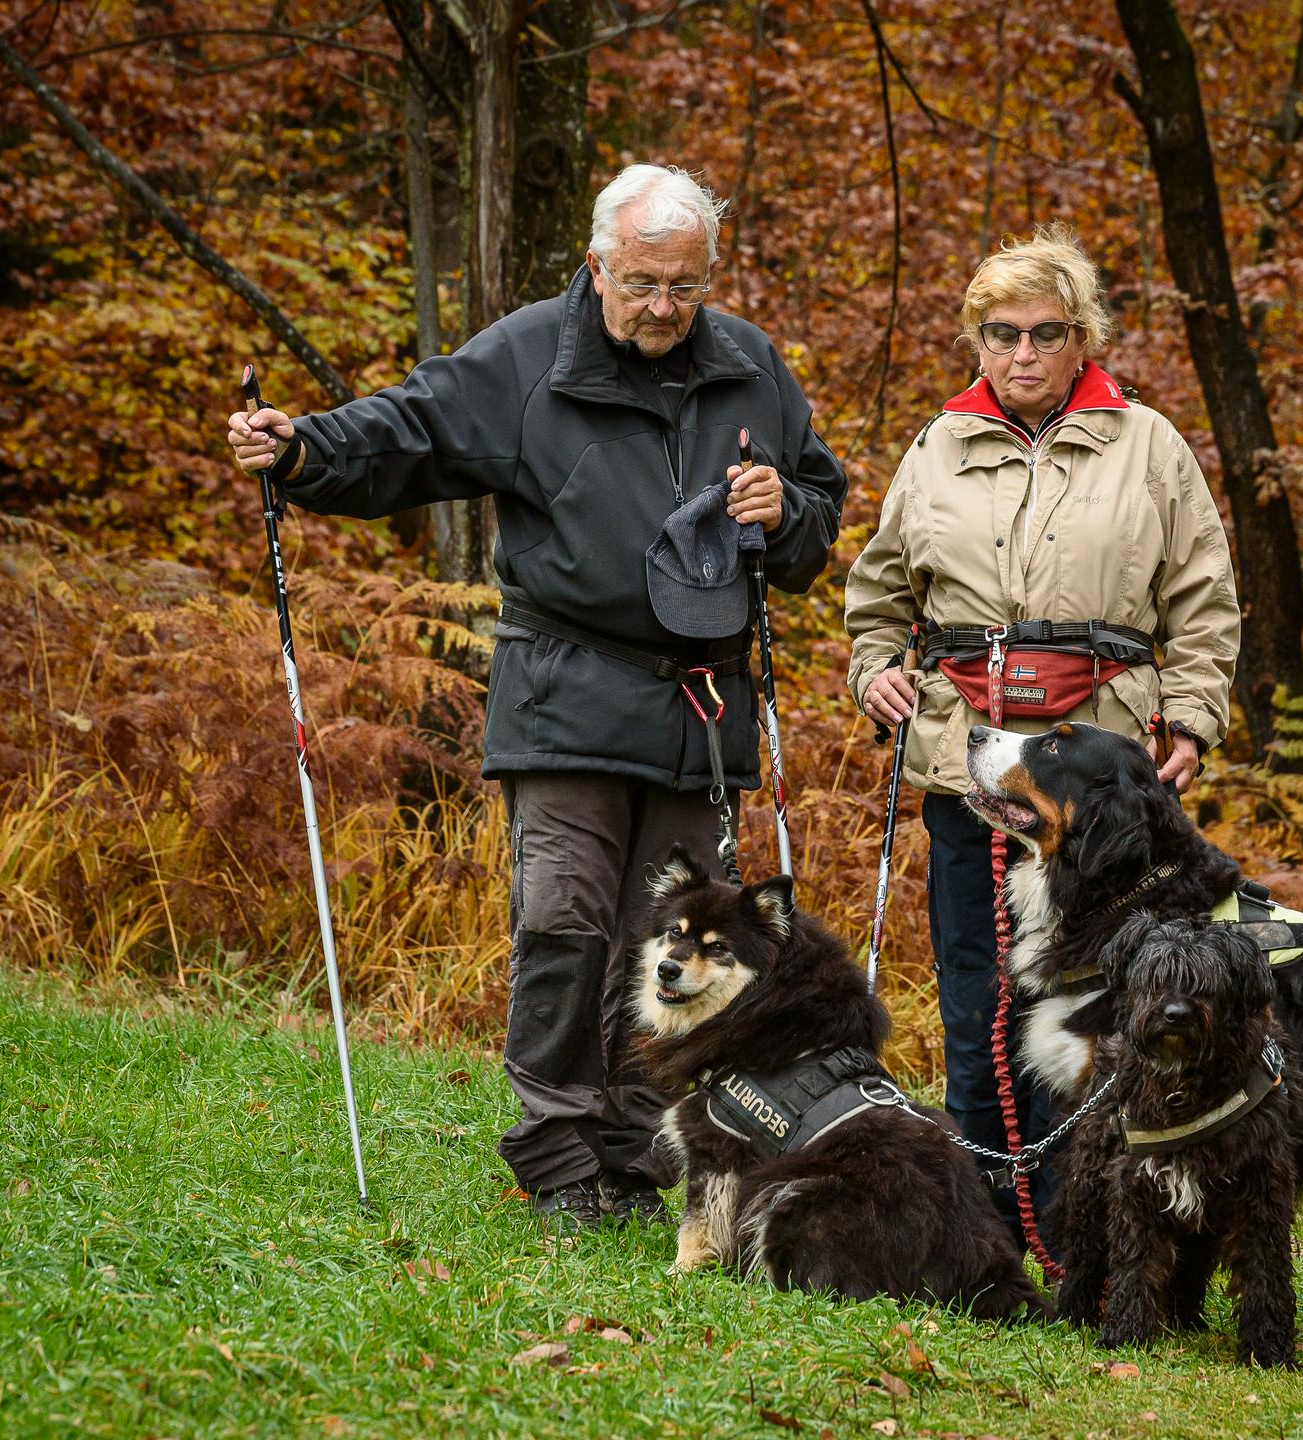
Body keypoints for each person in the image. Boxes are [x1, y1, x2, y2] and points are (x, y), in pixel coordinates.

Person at [225, 164, 846, 1233]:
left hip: (701, 704)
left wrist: (787, 506)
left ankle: (638, 1151)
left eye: (685, 288)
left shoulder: (750, 366)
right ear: (598, 264)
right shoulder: (525, 358)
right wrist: (301, 449)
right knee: (565, 921)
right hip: (566, 690)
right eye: (645, 282)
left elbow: (818, 521)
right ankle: (558, 1154)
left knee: (679, 937)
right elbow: (406, 436)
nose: (663, 308)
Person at [843, 224, 1239, 1253]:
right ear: (976, 340)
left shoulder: (1147, 446)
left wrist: (1192, 716)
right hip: (966, 770)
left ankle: (1103, 1240)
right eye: (1000, 333)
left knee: (1107, 1014)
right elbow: (879, 596)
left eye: (1045, 333)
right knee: (981, 1014)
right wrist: (876, 666)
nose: (1022, 354)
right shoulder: (936, 447)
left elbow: (1203, 602)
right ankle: (990, 1238)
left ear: (1082, 338)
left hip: (1103, 790)